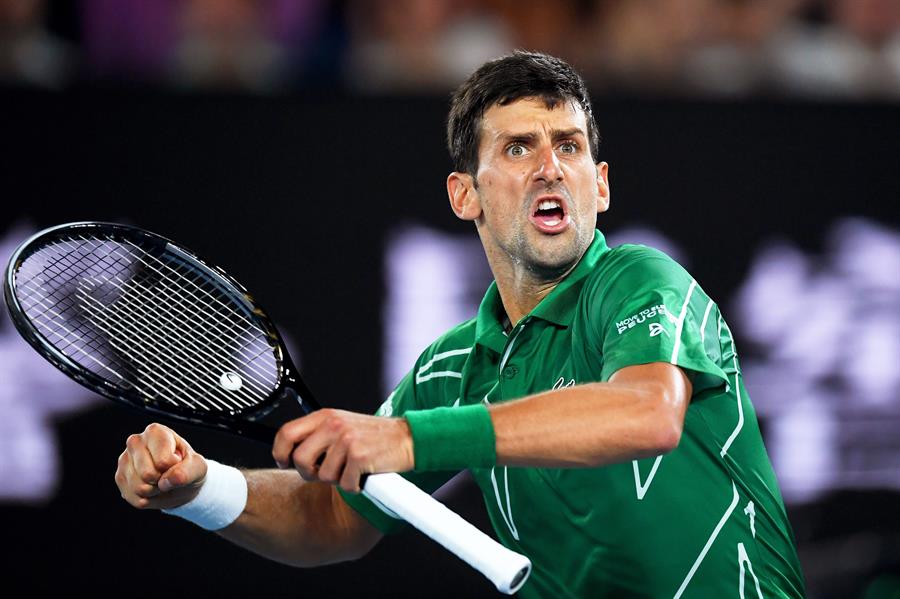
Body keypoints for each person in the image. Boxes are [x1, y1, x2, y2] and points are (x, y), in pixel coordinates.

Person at [115, 51, 806, 597]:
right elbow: (334, 517)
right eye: (518, 148)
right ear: (464, 195)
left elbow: (646, 413)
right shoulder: (451, 371)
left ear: (599, 184)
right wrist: (200, 488)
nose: (549, 168)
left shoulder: (639, 281)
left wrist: (406, 437)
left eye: (568, 146)